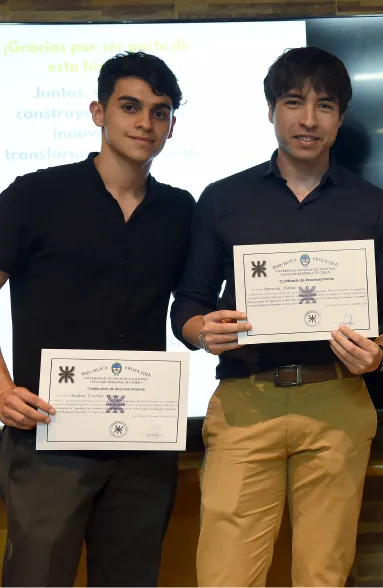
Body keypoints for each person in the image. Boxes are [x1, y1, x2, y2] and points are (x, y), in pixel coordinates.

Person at [170, 47, 383, 587]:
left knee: (323, 575)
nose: (309, 119)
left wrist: (382, 351)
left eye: (324, 105)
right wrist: (201, 330)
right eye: (294, 102)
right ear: (271, 110)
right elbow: (186, 304)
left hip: (339, 403)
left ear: (340, 117)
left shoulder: (376, 206)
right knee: (224, 575)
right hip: (244, 403)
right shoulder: (224, 198)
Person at [0, 51, 192, 586]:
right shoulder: (35, 195)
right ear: (97, 112)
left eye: (159, 111)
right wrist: (0, 387)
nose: (144, 122)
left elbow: (191, 307)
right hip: (49, 437)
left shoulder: (180, 210)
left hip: (144, 448)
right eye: (130, 106)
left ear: (171, 127)